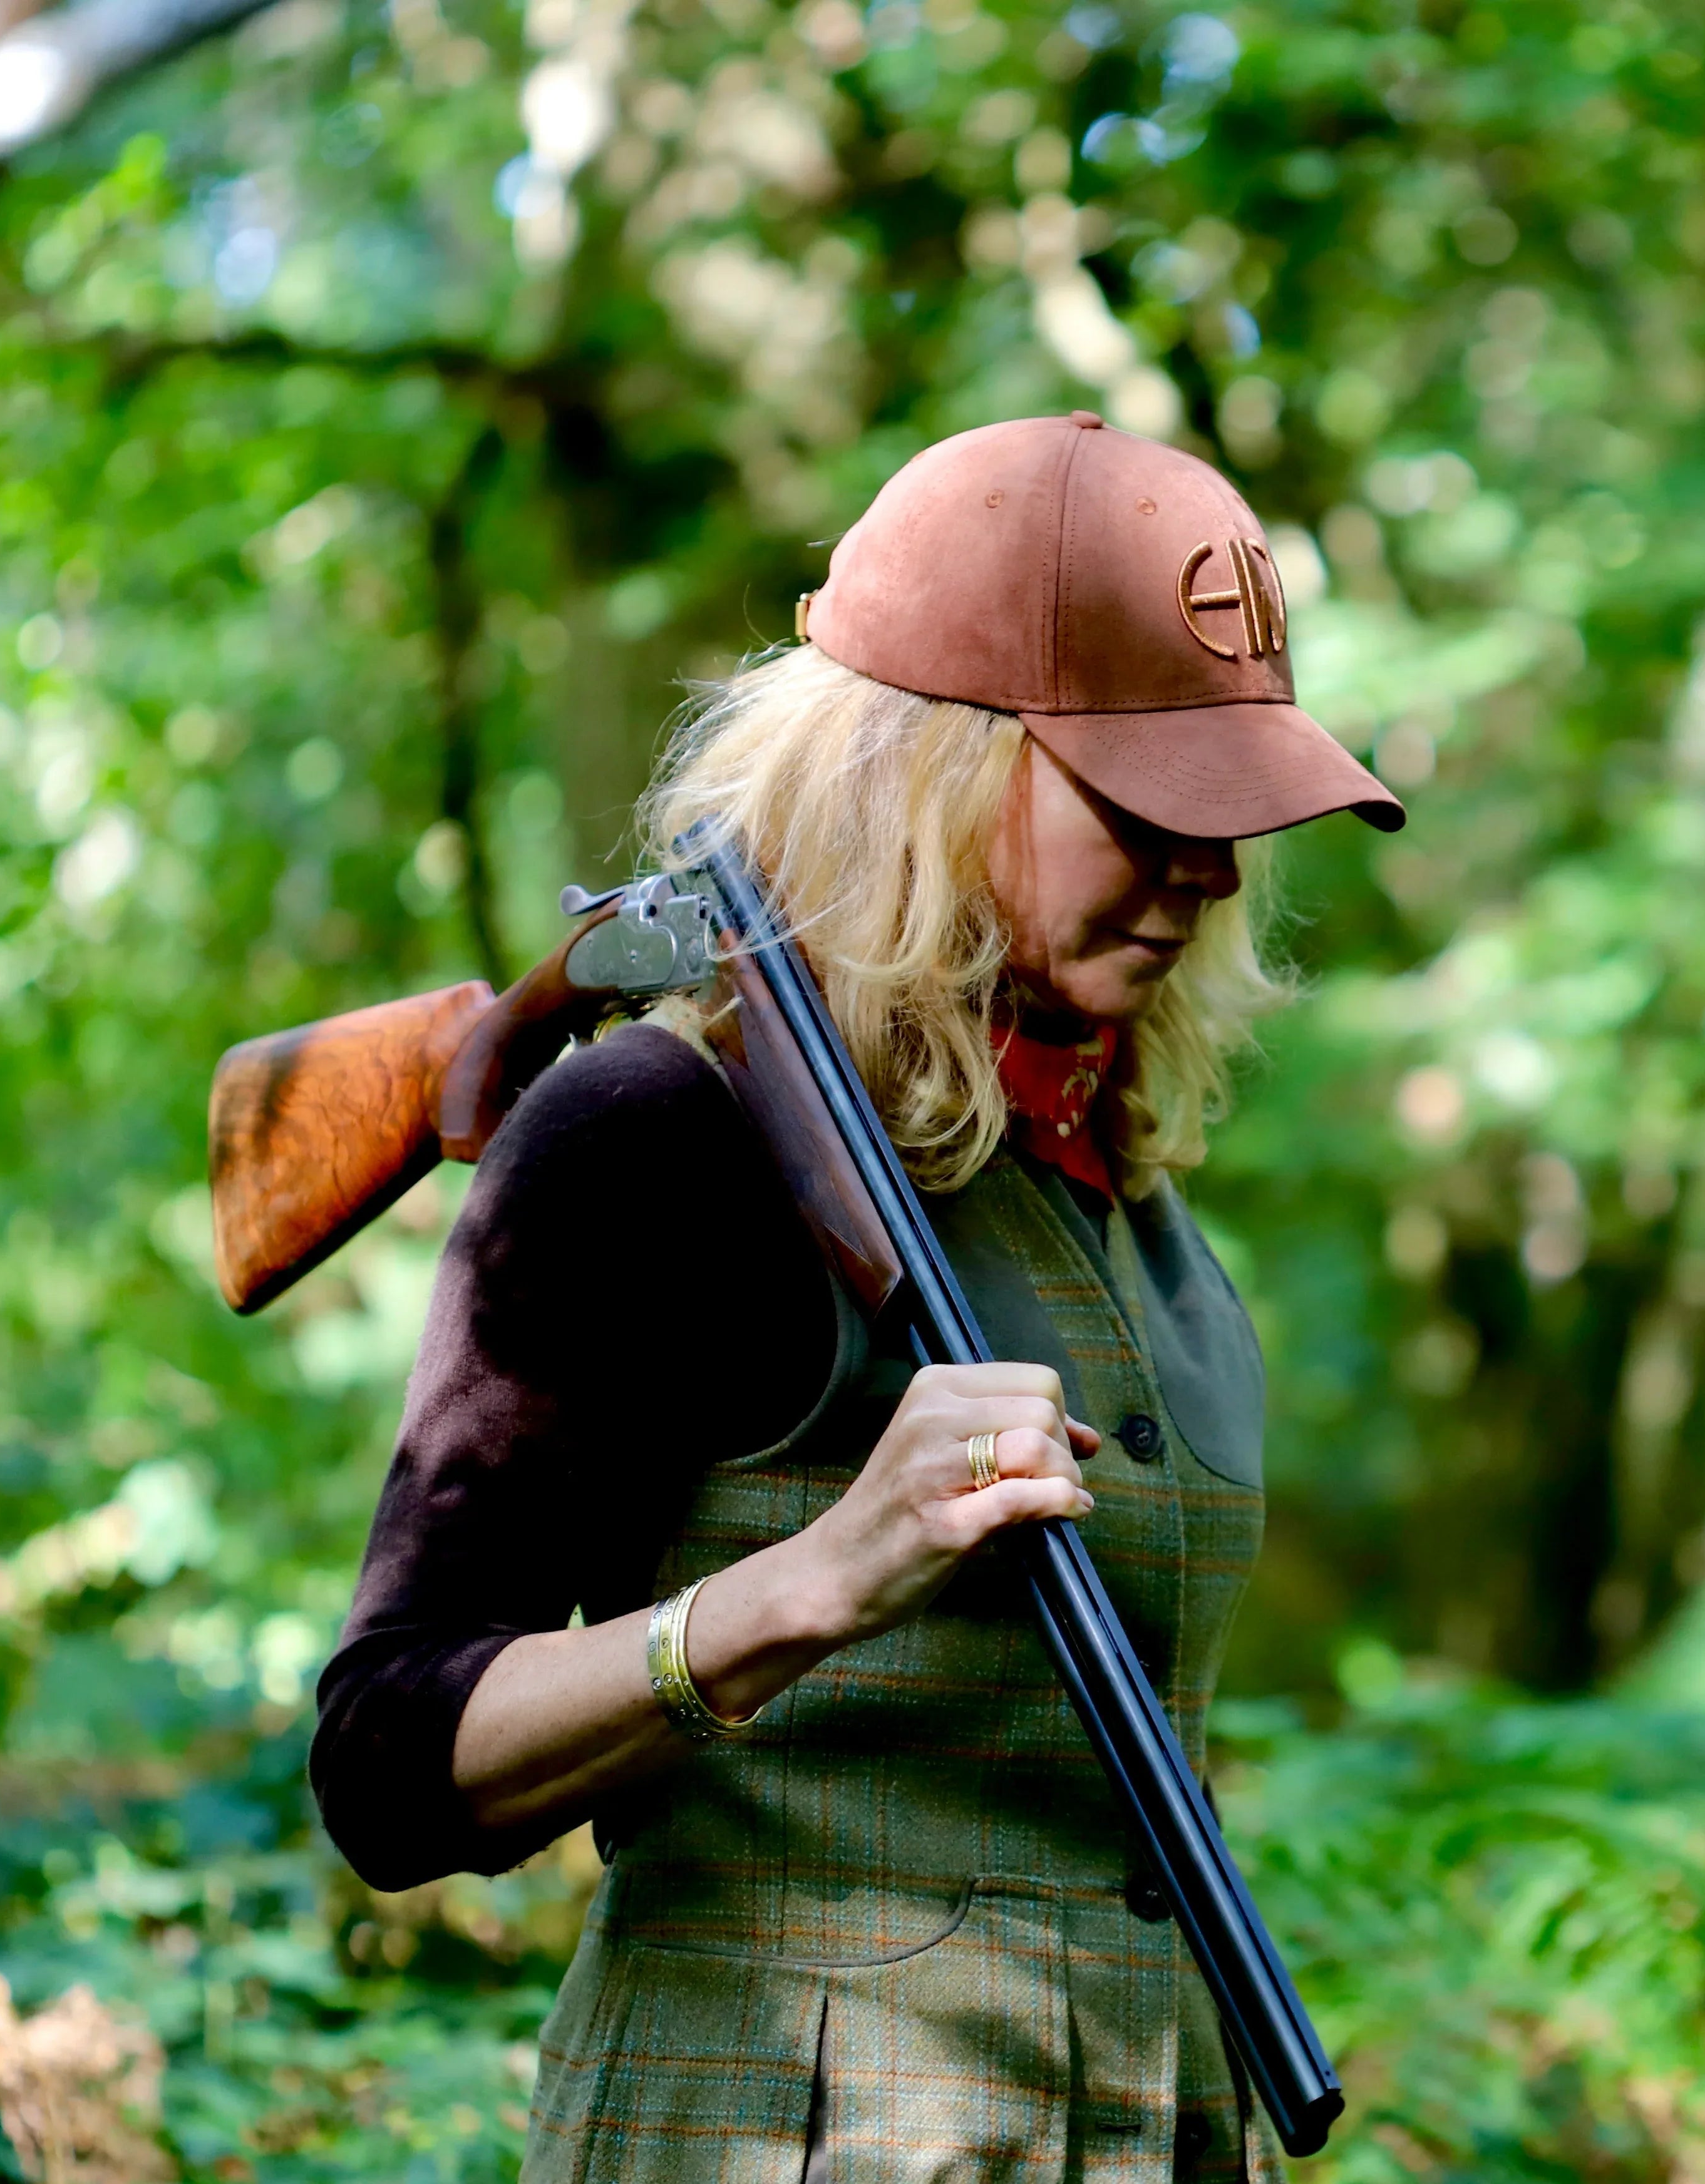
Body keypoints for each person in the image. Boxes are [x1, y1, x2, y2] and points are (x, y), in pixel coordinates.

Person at [311, 411, 1403, 2183]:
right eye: (1146, 802)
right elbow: (382, 1763)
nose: (1205, 868)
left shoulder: (1114, 1179)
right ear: (934, 768)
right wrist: (806, 1583)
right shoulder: (662, 1125)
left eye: (1231, 809)